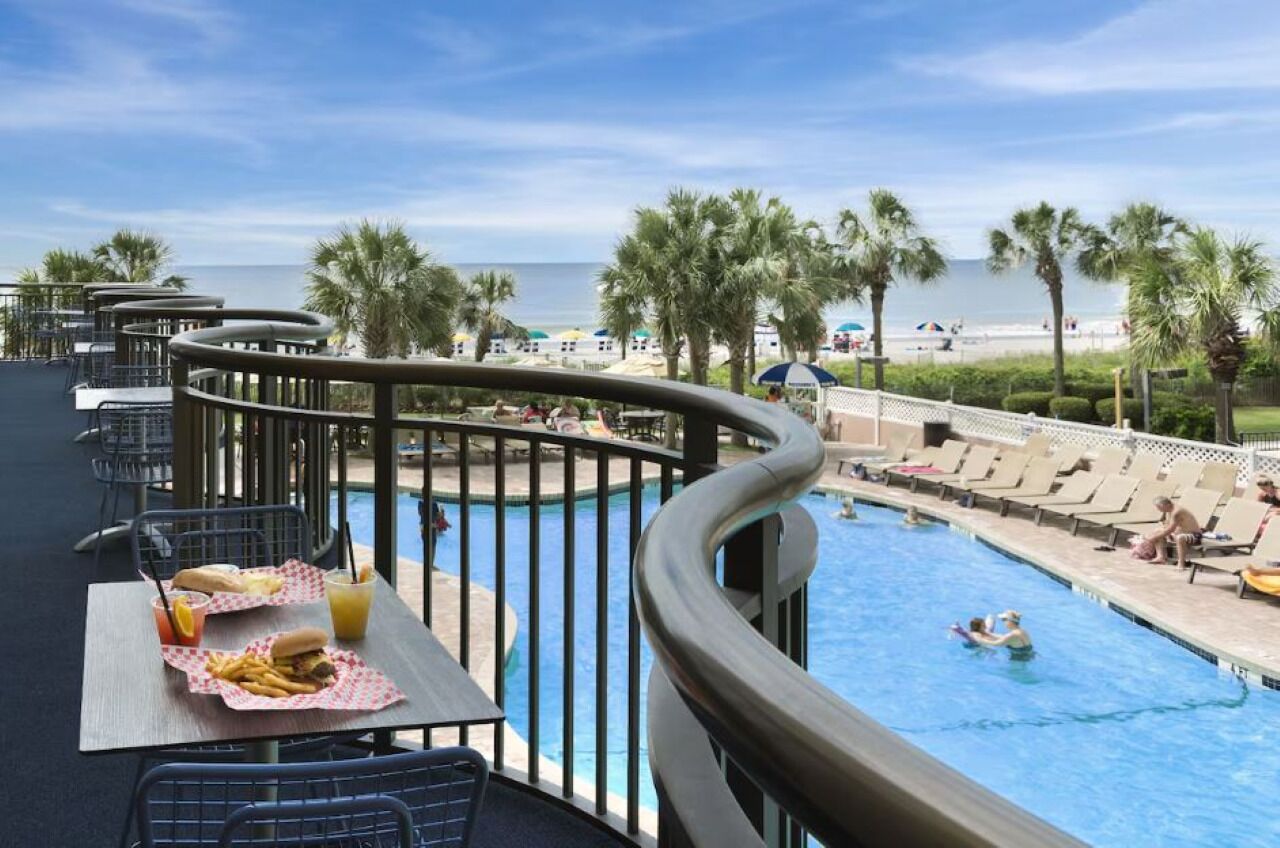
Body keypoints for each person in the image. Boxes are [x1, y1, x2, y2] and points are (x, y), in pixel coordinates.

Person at [1143, 495, 1202, 568]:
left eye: (1159, 507)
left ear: (1167, 505)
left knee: (1180, 538)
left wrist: (1153, 538)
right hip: (1178, 533)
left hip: (1194, 536)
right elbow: (1167, 527)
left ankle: (1181, 563)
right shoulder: (1169, 510)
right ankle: (1161, 557)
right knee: (1158, 531)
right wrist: (1155, 535)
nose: (1158, 509)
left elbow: (1170, 529)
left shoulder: (1177, 512)